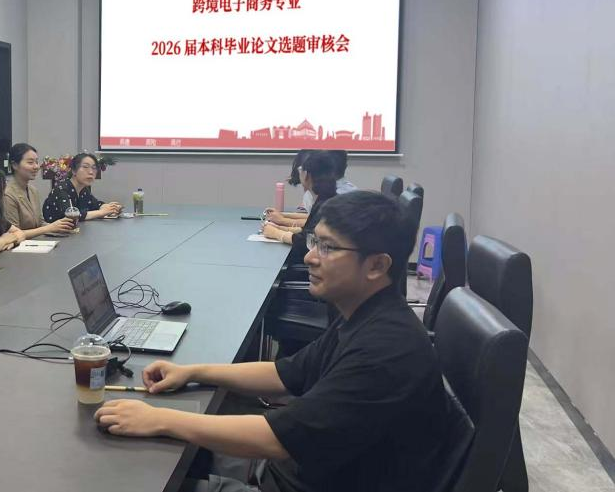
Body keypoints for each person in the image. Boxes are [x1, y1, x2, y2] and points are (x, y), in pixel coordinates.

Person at [94, 192, 470, 492]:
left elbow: (276, 439)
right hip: (301, 472)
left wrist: (159, 418)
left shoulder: (384, 351)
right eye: (314, 242)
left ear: (377, 266)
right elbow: (285, 373)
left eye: (328, 248)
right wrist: (193, 371)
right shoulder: (366, 315)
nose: (309, 256)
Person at [263, 151, 338, 263]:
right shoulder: (326, 199)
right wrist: (280, 228)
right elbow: (308, 232)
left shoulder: (325, 205)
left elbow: (306, 242)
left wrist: (277, 234)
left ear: (306, 175)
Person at [2, 143, 75, 238]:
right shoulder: (7, 194)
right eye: (30, 162)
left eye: (36, 162)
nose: (36, 166)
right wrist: (50, 228)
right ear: (15, 165)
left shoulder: (33, 190)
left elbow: (40, 223)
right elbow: (14, 234)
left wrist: (60, 227)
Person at [42, 152, 121, 223]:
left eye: (94, 168)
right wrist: (101, 212)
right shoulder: (61, 189)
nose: (91, 172)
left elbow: (95, 205)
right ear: (74, 171)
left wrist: (110, 208)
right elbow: (71, 215)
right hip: (53, 232)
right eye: (85, 167)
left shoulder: (83, 189)